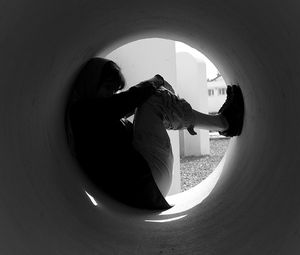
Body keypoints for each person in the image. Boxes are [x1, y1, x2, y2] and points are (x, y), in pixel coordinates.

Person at [66, 57, 244, 210]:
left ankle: (223, 122)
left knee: (149, 99)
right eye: (107, 88)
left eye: (114, 90)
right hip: (144, 183)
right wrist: (157, 81)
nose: (111, 95)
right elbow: (129, 99)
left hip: (144, 185)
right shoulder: (82, 113)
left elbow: (125, 105)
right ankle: (225, 123)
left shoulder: (93, 115)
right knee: (152, 98)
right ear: (89, 84)